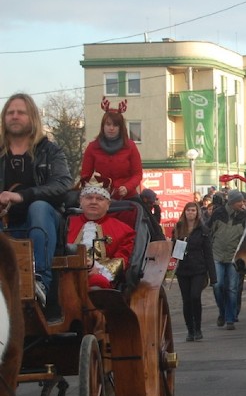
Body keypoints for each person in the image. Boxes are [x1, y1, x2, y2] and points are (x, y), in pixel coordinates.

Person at [0, 93, 73, 308]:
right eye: (10, 112)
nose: (15, 116)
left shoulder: (50, 151)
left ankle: (40, 281)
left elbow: (62, 185)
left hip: (44, 224)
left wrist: (23, 196)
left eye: (20, 112)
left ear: (32, 117)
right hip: (6, 225)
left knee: (39, 207)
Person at [67, 178, 135, 289]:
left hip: (99, 276)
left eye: (99, 199)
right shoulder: (65, 224)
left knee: (98, 282)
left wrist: (98, 269)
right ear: (81, 201)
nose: (93, 202)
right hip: (66, 273)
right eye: (89, 198)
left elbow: (122, 258)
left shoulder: (125, 230)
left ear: (108, 204)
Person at [79, 97, 143, 200]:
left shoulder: (130, 146)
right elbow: (85, 174)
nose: (111, 128)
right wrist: (93, 184)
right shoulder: (92, 147)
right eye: (108, 124)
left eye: (115, 125)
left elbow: (137, 174)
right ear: (103, 126)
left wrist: (127, 187)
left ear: (121, 127)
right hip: (101, 197)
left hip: (127, 197)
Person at [172, 201, 216, 342]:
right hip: (183, 269)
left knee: (195, 296)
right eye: (188, 210)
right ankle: (190, 329)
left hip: (199, 268)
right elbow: (174, 249)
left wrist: (213, 275)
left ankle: (198, 327)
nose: (190, 213)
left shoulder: (202, 230)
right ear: (184, 212)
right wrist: (177, 250)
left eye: (193, 210)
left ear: (197, 213)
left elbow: (208, 253)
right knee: (186, 300)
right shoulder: (179, 228)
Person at [209, 189, 246, 330]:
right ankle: (222, 311)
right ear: (231, 202)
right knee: (217, 285)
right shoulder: (218, 214)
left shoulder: (243, 217)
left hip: (233, 257)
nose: (242, 204)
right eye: (239, 201)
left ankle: (230, 318)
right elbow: (209, 232)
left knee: (232, 288)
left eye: (243, 201)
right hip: (217, 255)